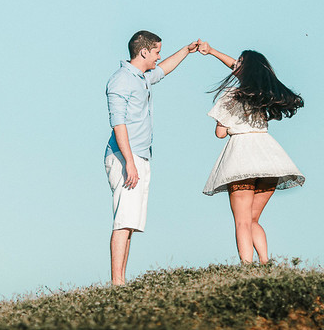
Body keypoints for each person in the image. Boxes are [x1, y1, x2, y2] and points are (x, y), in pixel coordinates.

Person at [104, 30, 200, 286]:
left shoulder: (142, 77)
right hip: (126, 157)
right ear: (144, 51)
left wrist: (187, 50)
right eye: (156, 51)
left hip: (140, 156)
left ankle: (121, 280)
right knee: (124, 219)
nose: (159, 56)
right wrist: (130, 163)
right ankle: (117, 282)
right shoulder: (121, 80)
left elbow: (164, 69)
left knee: (131, 221)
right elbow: (118, 123)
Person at [198, 42, 304, 265]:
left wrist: (227, 126)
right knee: (254, 219)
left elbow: (219, 133)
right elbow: (240, 69)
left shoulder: (230, 95)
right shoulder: (264, 94)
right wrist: (213, 52)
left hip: (242, 158)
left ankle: (246, 267)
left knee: (242, 222)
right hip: (269, 159)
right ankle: (265, 263)